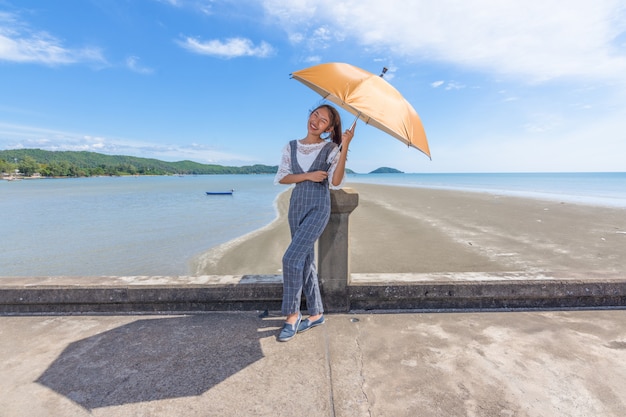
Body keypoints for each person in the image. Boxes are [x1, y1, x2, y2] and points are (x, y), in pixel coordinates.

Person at [273, 103, 355, 342]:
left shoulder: (331, 148)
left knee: (290, 258)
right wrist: (308, 175)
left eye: (323, 120)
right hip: (296, 206)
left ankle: (292, 314)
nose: (316, 121)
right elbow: (282, 177)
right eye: (315, 114)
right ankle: (317, 313)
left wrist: (345, 146)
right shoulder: (291, 146)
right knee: (305, 260)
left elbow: (336, 182)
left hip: (319, 207)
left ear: (329, 128)